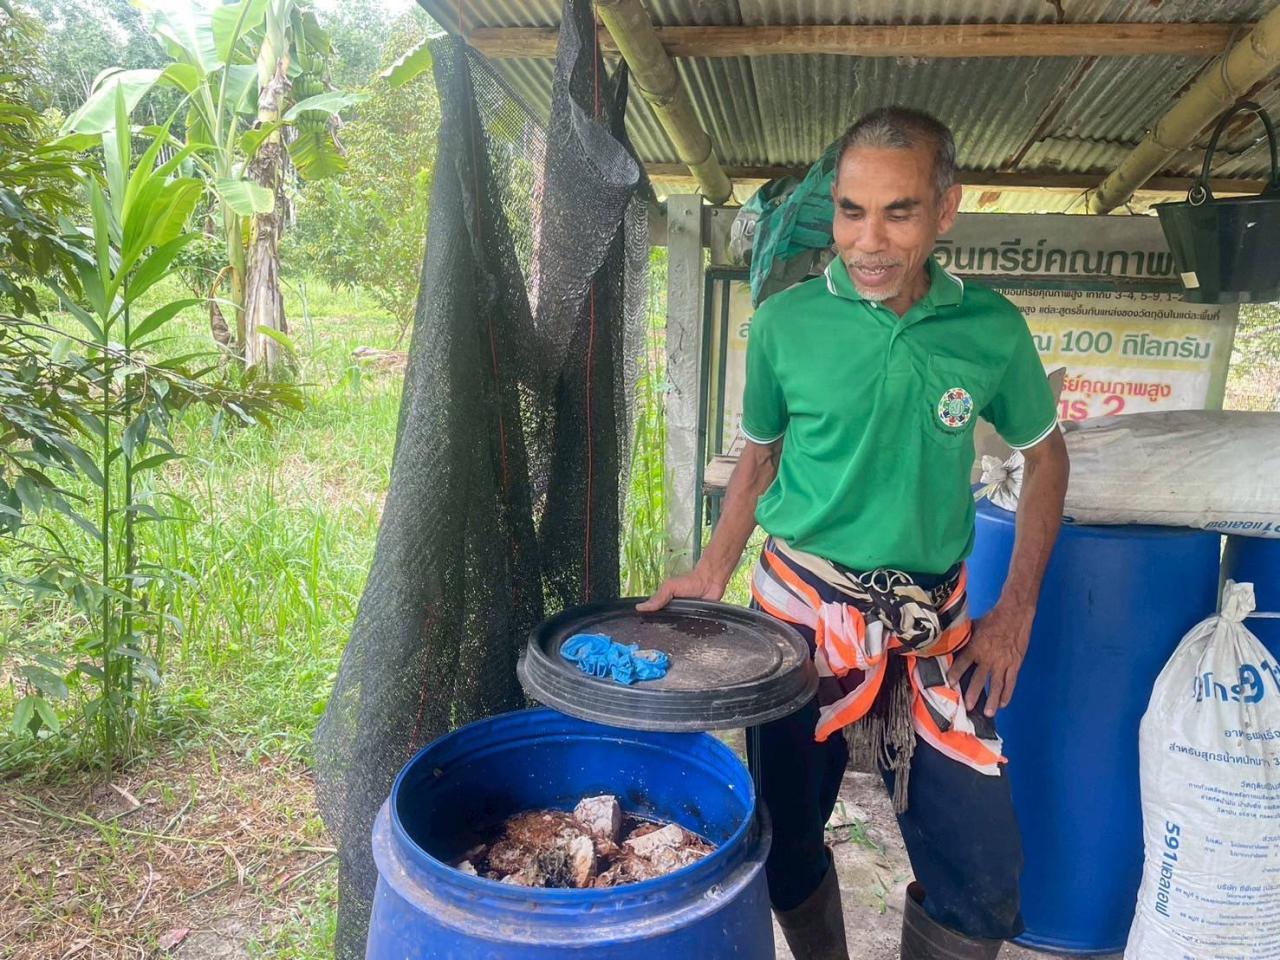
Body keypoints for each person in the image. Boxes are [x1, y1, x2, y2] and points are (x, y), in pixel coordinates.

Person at [639, 107, 1070, 960]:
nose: (867, 241)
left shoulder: (988, 330)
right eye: (849, 211)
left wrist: (1014, 611)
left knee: (983, 879)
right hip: (799, 620)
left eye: (898, 212)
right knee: (784, 849)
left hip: (932, 627)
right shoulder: (787, 324)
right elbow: (758, 458)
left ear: (945, 211)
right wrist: (712, 569)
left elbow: (1045, 455)